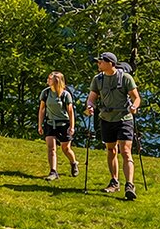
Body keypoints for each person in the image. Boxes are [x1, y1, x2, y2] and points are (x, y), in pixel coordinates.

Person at [85, 52, 141, 200]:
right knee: (111, 149)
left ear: (110, 63)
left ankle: (130, 185)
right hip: (106, 119)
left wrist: (134, 107)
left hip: (124, 118)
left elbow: (137, 98)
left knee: (125, 151)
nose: (98, 64)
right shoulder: (98, 79)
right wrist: (90, 107)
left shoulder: (125, 78)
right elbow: (91, 99)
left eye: (100, 62)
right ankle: (114, 181)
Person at [37, 71, 79, 180]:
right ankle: (53, 172)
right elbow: (42, 109)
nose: (47, 80)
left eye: (49, 79)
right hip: (50, 123)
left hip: (64, 124)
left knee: (66, 148)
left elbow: (70, 112)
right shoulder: (45, 93)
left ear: (56, 81)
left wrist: (72, 127)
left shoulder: (65, 95)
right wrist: (40, 125)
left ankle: (73, 163)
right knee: (51, 148)